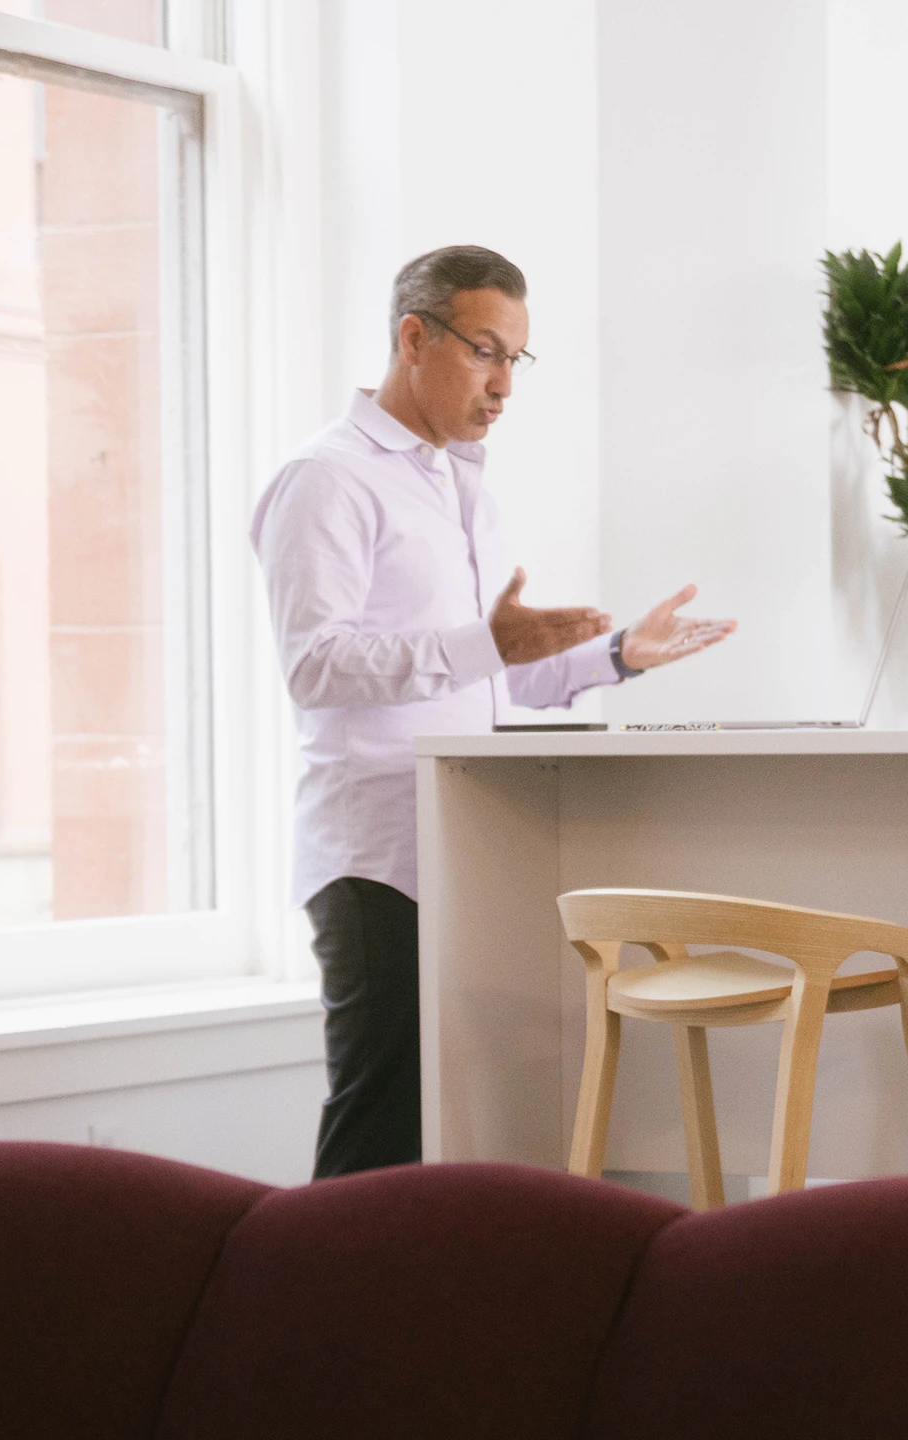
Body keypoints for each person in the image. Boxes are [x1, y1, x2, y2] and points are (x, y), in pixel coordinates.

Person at [252, 245, 735, 1180]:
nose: (505, 384)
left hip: (463, 846)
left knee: (453, 1130)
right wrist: (488, 646)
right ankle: (314, 1317)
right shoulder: (329, 479)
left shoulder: (458, 484)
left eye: (518, 359)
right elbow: (316, 666)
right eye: (486, 351)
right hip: (378, 857)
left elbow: (488, 686)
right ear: (412, 337)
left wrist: (616, 657)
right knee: (380, 1129)